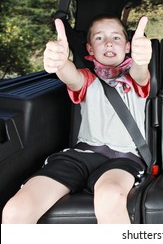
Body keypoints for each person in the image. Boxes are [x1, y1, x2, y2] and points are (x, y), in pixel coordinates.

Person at [2, 14, 152, 224]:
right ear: (90, 49)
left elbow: (140, 73)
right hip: (82, 154)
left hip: (124, 157)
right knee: (15, 211)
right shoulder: (87, 78)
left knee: (109, 196)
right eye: (99, 38)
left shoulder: (135, 79)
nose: (108, 42)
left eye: (116, 38)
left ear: (128, 46)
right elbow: (71, 77)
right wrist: (60, 63)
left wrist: (141, 60)